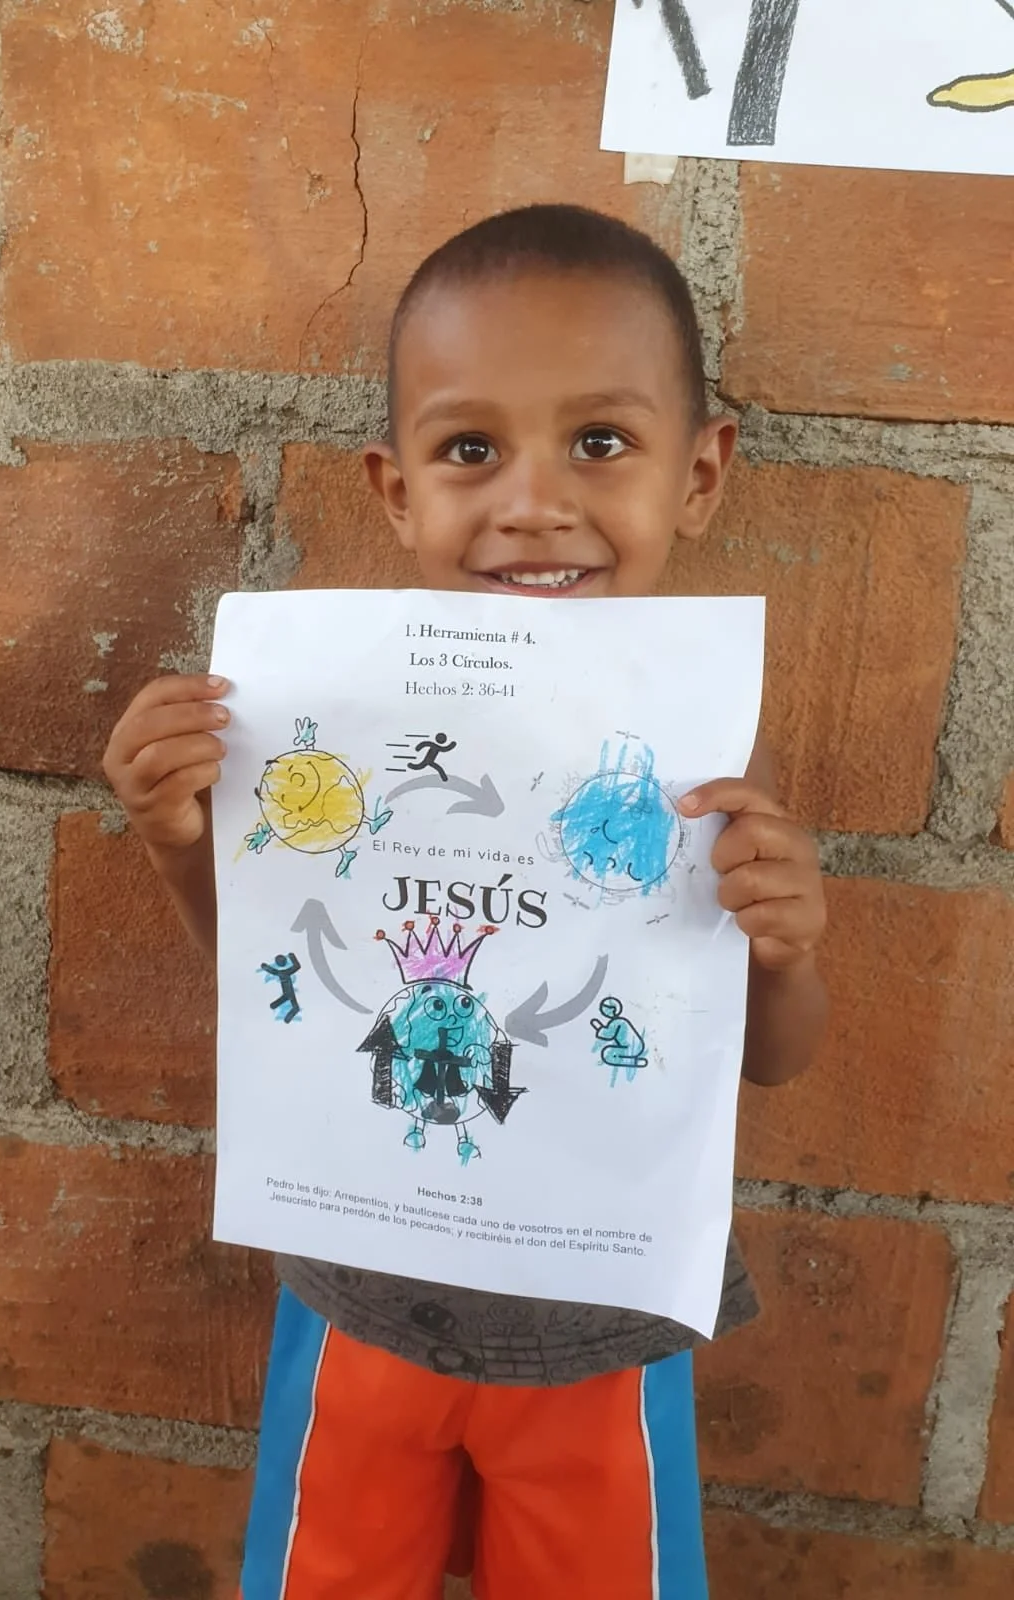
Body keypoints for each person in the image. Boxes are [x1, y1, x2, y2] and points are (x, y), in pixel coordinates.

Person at [102, 204, 828, 1600]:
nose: (533, 502)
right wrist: (177, 836)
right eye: (471, 450)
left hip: (599, 1324)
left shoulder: (697, 768)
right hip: (359, 1297)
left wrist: (788, 949)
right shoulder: (324, 737)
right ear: (396, 489)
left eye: (600, 442)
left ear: (701, 472)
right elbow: (273, 981)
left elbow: (774, 1059)